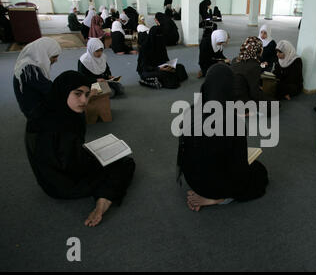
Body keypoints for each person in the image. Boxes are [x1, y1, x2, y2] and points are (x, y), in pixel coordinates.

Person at [25, 70, 136, 227]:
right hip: (64, 185)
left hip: (47, 180)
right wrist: (96, 158)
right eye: (78, 94)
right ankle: (103, 201)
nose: (84, 100)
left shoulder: (44, 111)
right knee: (124, 163)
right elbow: (72, 165)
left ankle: (103, 196)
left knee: (104, 156)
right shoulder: (64, 126)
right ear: (64, 92)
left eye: (87, 94)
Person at [177, 63, 269, 211]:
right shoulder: (233, 123)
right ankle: (218, 199)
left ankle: (208, 193)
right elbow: (238, 169)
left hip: (192, 179)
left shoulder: (191, 111)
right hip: (215, 186)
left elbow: (184, 153)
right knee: (259, 171)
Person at [13, 37, 62, 118]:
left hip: (33, 101)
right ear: (43, 53)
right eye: (54, 56)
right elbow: (50, 90)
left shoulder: (30, 62)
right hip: (33, 110)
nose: (56, 60)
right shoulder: (30, 70)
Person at [137, 24, 188, 89]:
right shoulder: (145, 47)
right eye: (157, 36)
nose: (159, 38)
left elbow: (165, 59)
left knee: (180, 67)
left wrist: (169, 66)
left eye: (161, 36)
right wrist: (158, 68)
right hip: (148, 70)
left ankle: (159, 80)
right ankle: (148, 80)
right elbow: (144, 67)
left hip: (161, 67)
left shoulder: (161, 45)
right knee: (164, 74)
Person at [231, 36, 275, 104]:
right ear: (258, 50)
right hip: (241, 99)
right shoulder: (255, 66)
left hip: (229, 95)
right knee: (274, 104)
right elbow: (254, 94)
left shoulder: (235, 60)